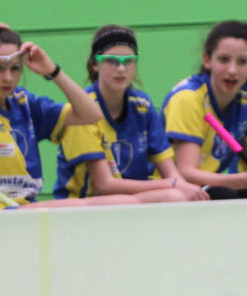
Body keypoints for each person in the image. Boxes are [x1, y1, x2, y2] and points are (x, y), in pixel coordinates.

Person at [0, 21, 135, 210]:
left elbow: (91, 115)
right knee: (90, 205)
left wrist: (53, 71)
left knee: (126, 202)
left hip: (25, 210)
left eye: (15, 68)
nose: (8, 77)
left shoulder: (25, 103)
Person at [52, 25, 207, 203]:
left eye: (129, 60)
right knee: (172, 196)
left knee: (185, 196)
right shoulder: (83, 110)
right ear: (95, 64)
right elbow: (105, 185)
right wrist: (171, 185)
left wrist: (184, 187)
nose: (121, 68)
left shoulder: (142, 106)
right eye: (111, 60)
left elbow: (171, 173)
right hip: (82, 205)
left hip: (128, 202)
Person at [162, 20, 247, 198]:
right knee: (226, 195)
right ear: (207, 59)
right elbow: (186, 173)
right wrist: (243, 181)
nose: (232, 70)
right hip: (171, 189)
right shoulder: (188, 98)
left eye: (242, 61)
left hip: (211, 188)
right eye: (224, 59)